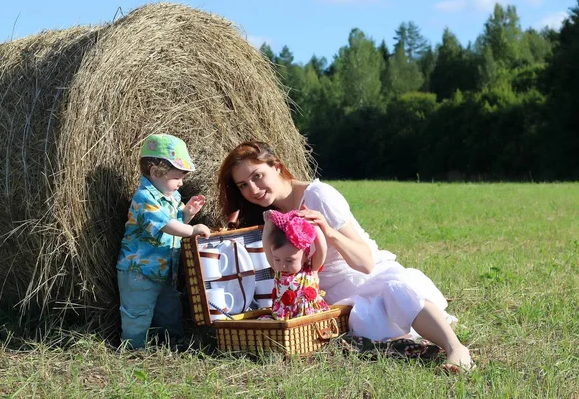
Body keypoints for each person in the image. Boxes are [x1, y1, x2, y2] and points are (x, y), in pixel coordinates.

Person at [217, 141, 474, 373]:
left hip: (368, 276)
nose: (253, 189)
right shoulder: (271, 217)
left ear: (277, 167)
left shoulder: (318, 196)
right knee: (366, 323)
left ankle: (456, 349)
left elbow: (365, 262)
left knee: (396, 289)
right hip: (334, 297)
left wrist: (329, 232)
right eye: (243, 185)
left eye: (257, 176)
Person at [116, 133, 211, 349]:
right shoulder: (143, 198)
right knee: (138, 313)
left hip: (165, 271)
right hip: (139, 271)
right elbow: (165, 225)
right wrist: (191, 229)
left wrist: (187, 215)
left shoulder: (172, 197)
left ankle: (172, 342)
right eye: (177, 177)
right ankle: (133, 348)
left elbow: (173, 223)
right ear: (155, 171)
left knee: (169, 309)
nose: (180, 183)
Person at [260, 209, 330, 320]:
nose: (282, 265)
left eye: (289, 261)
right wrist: (268, 225)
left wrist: (314, 225)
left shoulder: (311, 270)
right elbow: (267, 246)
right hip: (284, 320)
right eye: (277, 259)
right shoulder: (278, 271)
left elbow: (322, 249)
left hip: (309, 319)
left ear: (305, 256)